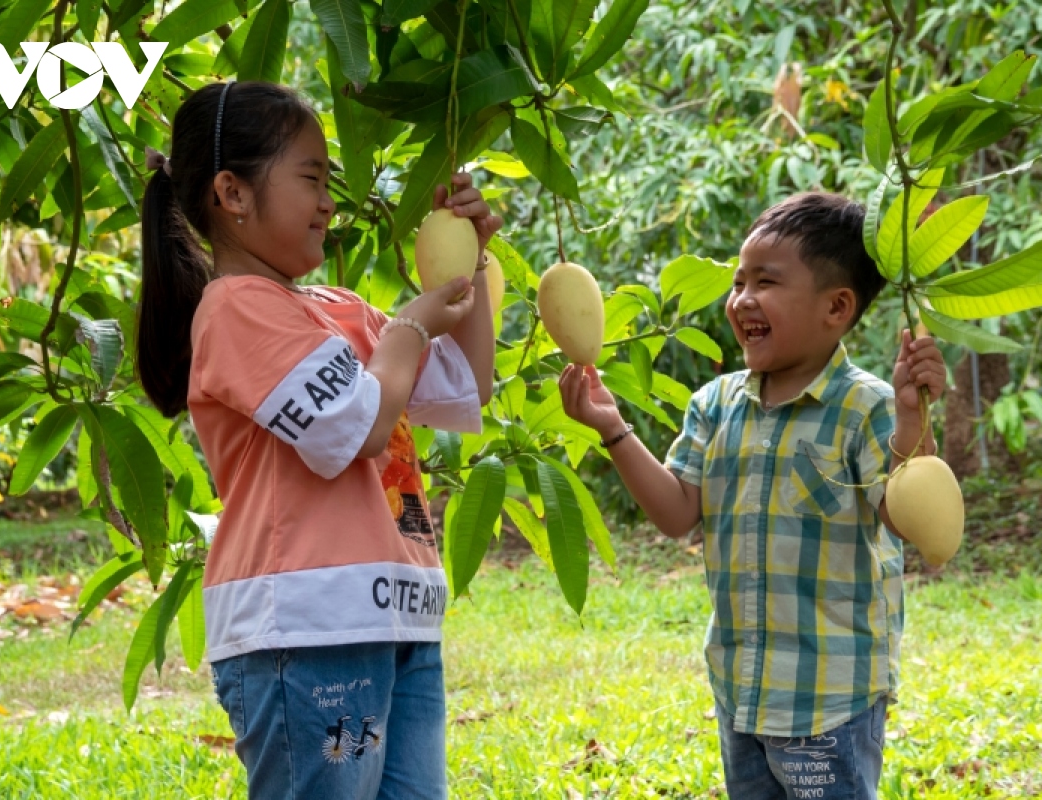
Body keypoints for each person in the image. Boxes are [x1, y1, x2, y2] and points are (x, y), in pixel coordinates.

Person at [134, 80, 501, 799]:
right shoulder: (237, 308)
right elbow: (358, 428)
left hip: (394, 625)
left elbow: (465, 385)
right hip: (308, 637)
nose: (329, 200)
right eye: (310, 178)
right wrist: (411, 327)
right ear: (233, 194)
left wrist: (472, 268)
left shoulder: (341, 310)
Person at [559, 193, 947, 799]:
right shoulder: (713, 405)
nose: (741, 300)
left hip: (828, 697)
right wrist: (612, 427)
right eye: (739, 282)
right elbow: (677, 513)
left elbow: (900, 514)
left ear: (836, 307)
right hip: (741, 687)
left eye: (766, 282)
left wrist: (907, 418)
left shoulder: (865, 406)